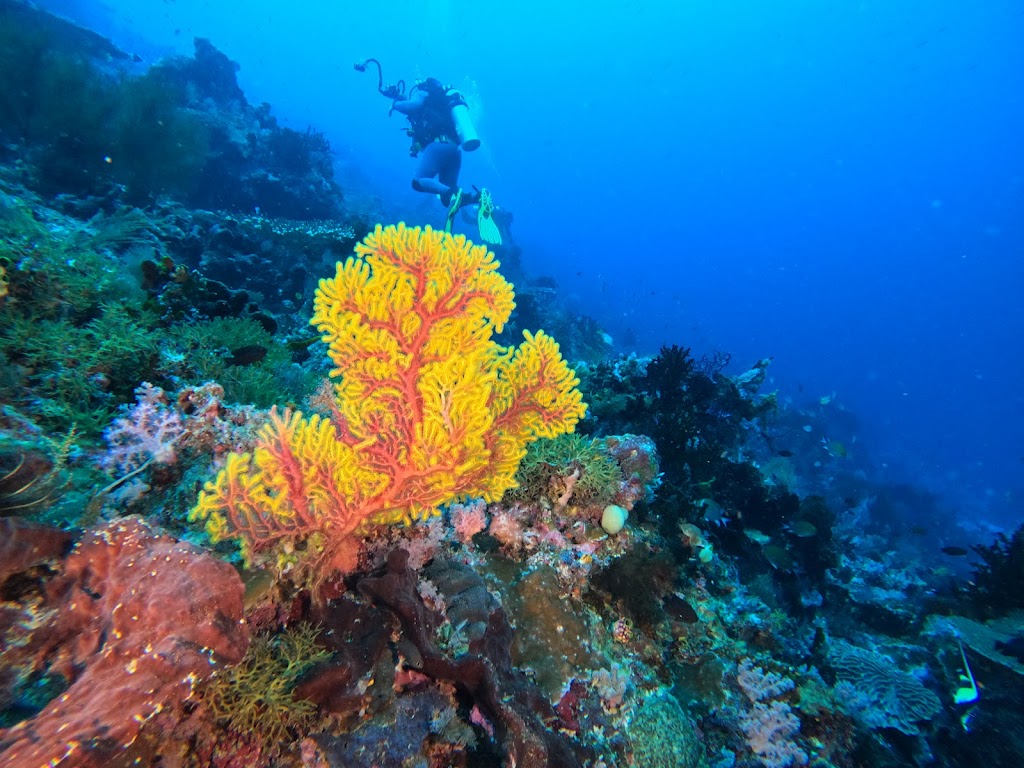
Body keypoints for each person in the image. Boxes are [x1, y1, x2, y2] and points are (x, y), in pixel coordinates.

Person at [390, 77, 482, 229]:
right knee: (448, 200)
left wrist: (394, 104)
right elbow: (419, 133)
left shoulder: (423, 93)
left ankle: (451, 194)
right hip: (454, 152)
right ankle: (477, 198)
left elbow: (413, 105)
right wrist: (414, 147)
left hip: (438, 147)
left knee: (418, 181)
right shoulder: (440, 107)